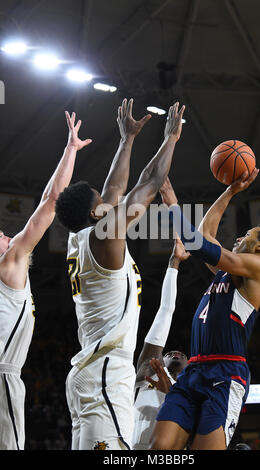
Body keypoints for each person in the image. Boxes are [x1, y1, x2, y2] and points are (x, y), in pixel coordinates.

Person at [55, 99, 185, 450]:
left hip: (92, 373)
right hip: (105, 375)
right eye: (102, 203)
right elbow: (151, 182)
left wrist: (127, 139)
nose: (109, 200)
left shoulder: (80, 238)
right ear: (97, 214)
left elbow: (114, 189)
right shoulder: (104, 236)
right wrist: (170, 137)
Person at [149, 173, 260, 450]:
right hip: (195, 370)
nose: (239, 236)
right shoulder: (229, 274)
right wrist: (230, 191)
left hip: (226, 373)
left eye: (247, 235)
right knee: (160, 449)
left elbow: (196, 243)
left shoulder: (258, 270)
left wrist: (173, 205)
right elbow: (204, 237)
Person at [0, 111, 92, 450]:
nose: (6, 234)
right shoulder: (10, 262)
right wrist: (70, 150)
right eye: (2, 234)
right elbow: (51, 201)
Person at [132, 236, 189, 450]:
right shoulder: (148, 371)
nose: (176, 353)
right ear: (159, 360)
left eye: (182, 355)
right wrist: (173, 264)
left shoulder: (191, 392)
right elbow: (166, 310)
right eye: (170, 353)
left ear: (189, 366)